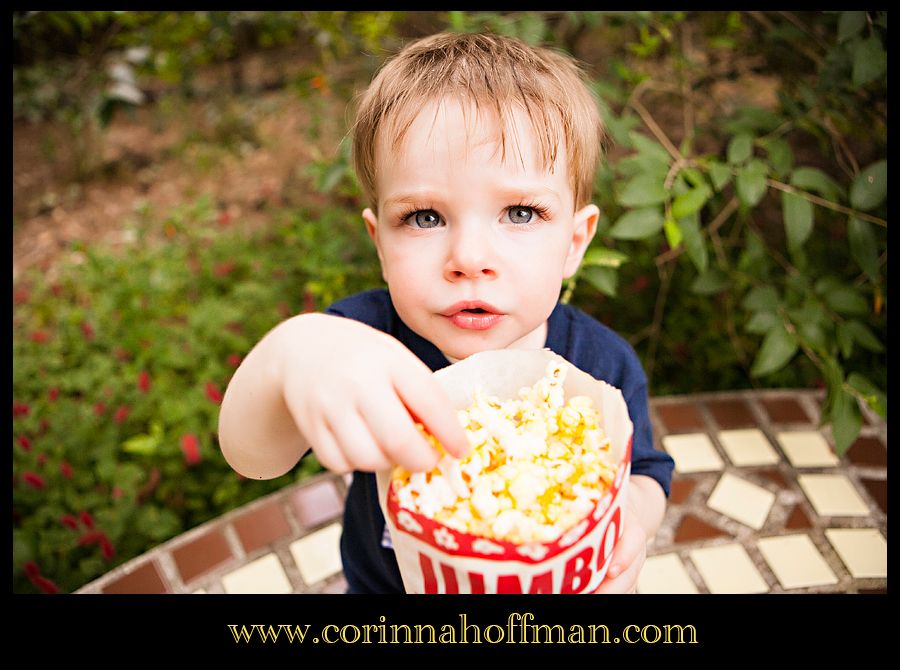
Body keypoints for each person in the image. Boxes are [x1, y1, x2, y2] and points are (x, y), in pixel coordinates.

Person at [218, 31, 674, 594]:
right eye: (425, 217)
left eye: (521, 212)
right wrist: (290, 356)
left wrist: (634, 523)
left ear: (576, 241)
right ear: (380, 241)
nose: (469, 259)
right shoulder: (362, 345)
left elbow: (649, 473)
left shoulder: (601, 366)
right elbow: (254, 457)